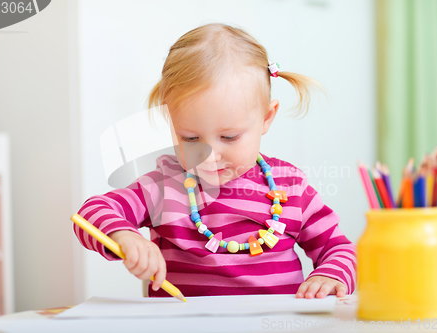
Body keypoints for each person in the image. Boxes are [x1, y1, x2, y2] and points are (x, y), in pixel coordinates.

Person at [74, 23, 356, 299]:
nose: (209, 155)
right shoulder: (163, 186)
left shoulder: (290, 186)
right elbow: (92, 212)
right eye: (191, 138)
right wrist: (125, 236)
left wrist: (330, 275)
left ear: (266, 118)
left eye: (230, 137)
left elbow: (338, 248)